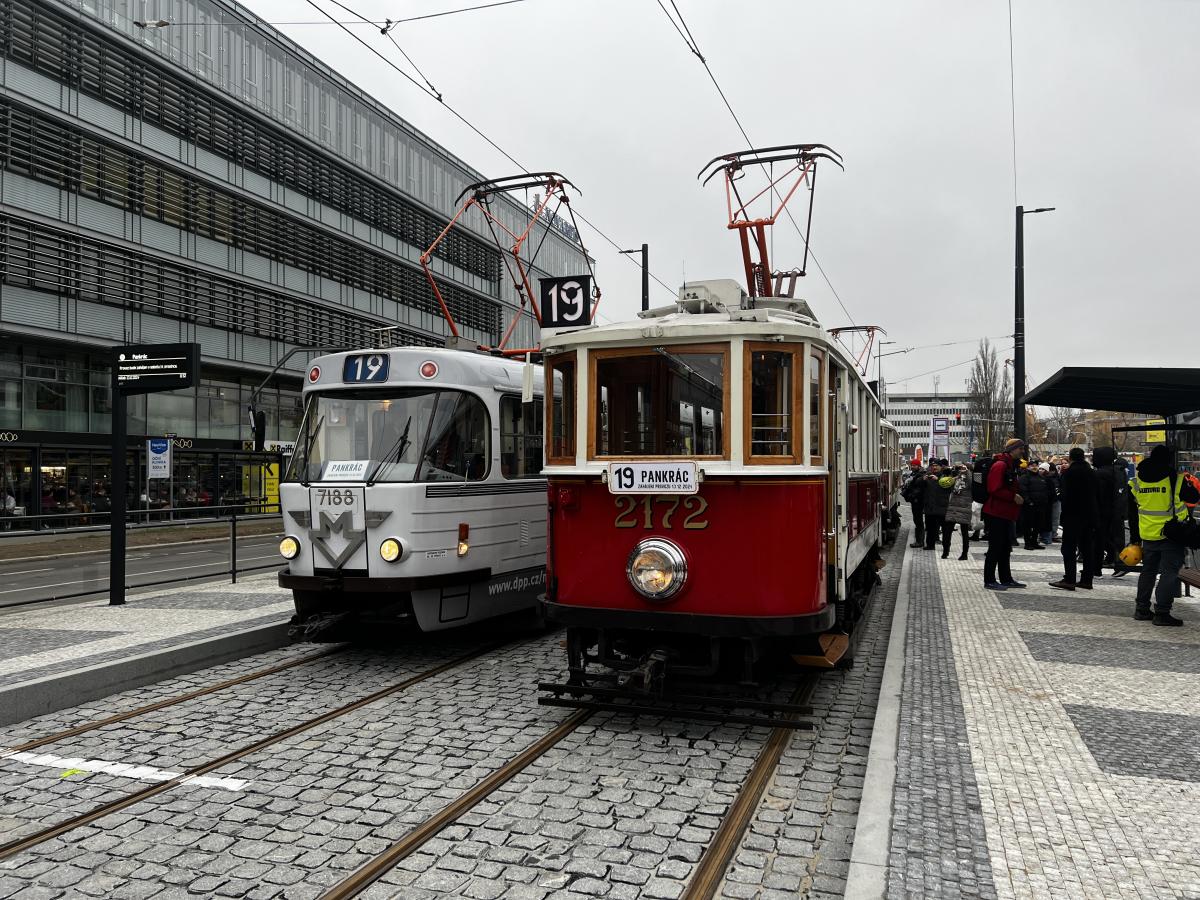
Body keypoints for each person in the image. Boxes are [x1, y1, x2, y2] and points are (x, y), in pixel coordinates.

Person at [1128, 445, 1199, 625]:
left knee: (1148, 572)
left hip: (1148, 533)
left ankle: (1142, 609)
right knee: (1169, 573)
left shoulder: (1137, 481)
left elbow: (1131, 511)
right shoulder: (1175, 478)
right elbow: (1193, 497)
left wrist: (1135, 537)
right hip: (1172, 533)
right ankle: (1162, 613)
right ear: (1168, 459)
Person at [1050, 448, 1099, 591]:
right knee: (1087, 548)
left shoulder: (1069, 473)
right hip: (1090, 515)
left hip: (1073, 515)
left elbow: (1065, 495)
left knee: (1069, 548)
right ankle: (1087, 580)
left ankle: (1069, 579)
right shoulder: (1092, 473)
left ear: (1070, 458)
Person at [982, 438, 1027, 590]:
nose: (1022, 451)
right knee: (995, 547)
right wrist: (1013, 496)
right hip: (997, 513)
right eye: (1020, 448)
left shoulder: (1009, 465)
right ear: (1012, 449)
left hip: (1005, 513)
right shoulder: (1000, 465)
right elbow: (993, 489)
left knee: (1005, 547)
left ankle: (1006, 578)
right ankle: (989, 580)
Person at [1091, 447, 1123, 574]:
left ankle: (1096, 568)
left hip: (1101, 513)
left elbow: (1097, 495)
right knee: (1112, 539)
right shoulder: (1117, 471)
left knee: (1098, 541)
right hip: (1115, 512)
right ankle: (1115, 560)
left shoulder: (1099, 474)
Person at [1018, 461, 1051, 549]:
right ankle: (1027, 543)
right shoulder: (1024, 477)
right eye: (1032, 465)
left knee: (1038, 524)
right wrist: (1029, 501)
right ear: (1028, 467)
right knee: (1027, 525)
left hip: (1041, 505)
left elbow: (1045, 490)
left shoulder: (1041, 477)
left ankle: (1034, 542)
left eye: (1036, 465)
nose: (1034, 467)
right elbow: (1023, 490)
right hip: (1029, 506)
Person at [902, 460, 926, 548]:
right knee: (917, 521)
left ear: (919, 466)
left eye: (914, 465)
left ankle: (920, 541)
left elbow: (919, 489)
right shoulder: (914, 474)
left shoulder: (921, 475)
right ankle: (919, 540)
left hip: (918, 501)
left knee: (918, 521)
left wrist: (911, 496)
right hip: (915, 500)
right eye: (912, 465)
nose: (912, 467)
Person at [1043, 461, 1062, 545]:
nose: (1051, 472)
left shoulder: (1058, 478)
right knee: (1047, 518)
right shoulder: (1043, 478)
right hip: (1047, 500)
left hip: (1056, 500)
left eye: (1052, 470)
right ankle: (1046, 535)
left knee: (1055, 518)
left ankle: (1053, 534)